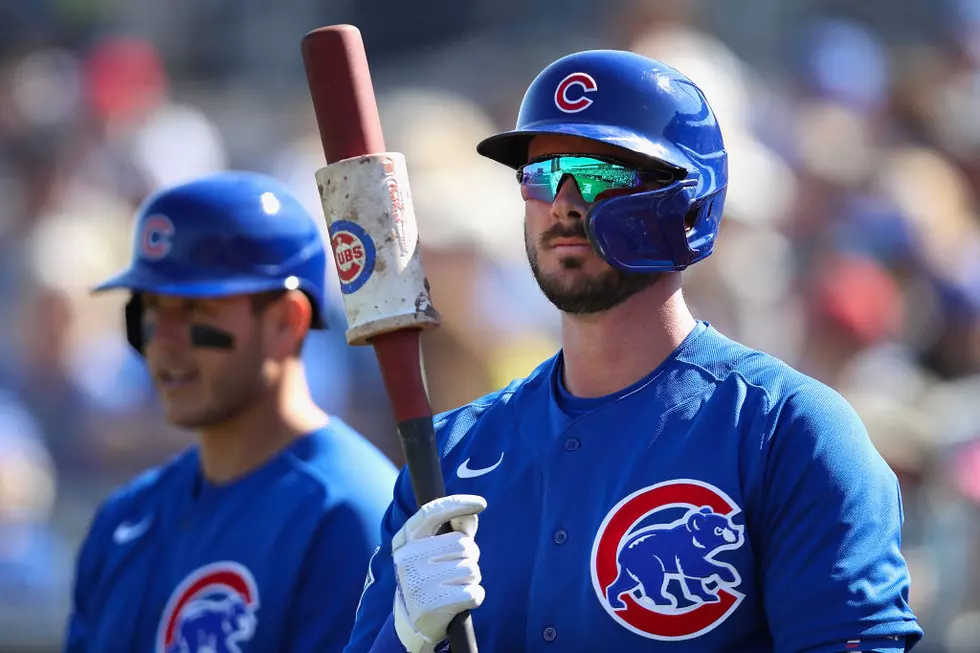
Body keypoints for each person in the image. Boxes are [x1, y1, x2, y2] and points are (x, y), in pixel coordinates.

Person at [343, 50, 923, 653]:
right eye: (542, 174)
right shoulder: (449, 454)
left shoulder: (787, 430)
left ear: (688, 201)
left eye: (599, 174)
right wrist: (402, 639)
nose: (564, 202)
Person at [64, 171, 398, 652]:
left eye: (197, 312)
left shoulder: (350, 516)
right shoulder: (125, 519)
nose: (166, 345)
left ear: (287, 322)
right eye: (153, 311)